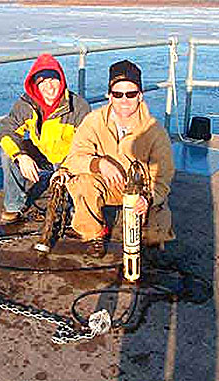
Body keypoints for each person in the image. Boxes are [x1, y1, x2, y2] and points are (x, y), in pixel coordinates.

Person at [63, 60, 175, 257]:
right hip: (107, 184)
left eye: (131, 94)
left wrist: (149, 198)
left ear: (140, 96)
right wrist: (99, 163)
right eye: (118, 94)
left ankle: (147, 224)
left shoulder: (155, 131)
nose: (124, 100)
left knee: (154, 244)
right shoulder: (93, 121)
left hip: (140, 191)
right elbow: (72, 159)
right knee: (82, 183)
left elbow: (163, 178)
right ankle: (94, 233)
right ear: (109, 96)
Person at [0, 54, 90, 223]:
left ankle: (73, 205)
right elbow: (5, 130)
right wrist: (21, 156)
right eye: (42, 82)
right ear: (35, 85)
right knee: (7, 152)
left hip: (68, 159)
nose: (49, 87)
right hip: (43, 153)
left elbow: (87, 146)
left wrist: (66, 168)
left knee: (76, 215)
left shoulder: (78, 106)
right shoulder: (26, 104)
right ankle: (13, 206)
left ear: (62, 81)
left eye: (54, 80)